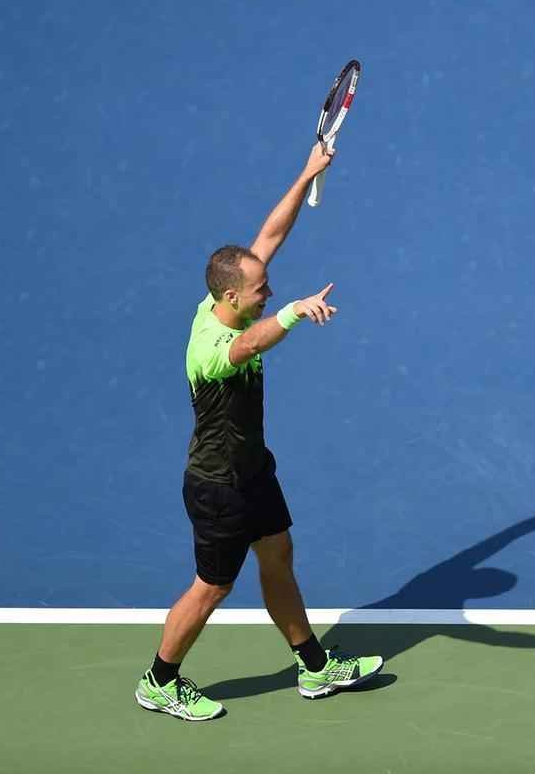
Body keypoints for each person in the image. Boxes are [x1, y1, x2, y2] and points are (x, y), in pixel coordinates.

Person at [135, 145, 382, 721]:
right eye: (260, 291)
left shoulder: (222, 299)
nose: (266, 291)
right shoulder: (214, 346)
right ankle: (159, 681)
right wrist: (295, 312)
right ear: (230, 297)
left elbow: (268, 236)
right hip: (218, 484)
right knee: (211, 588)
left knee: (277, 555)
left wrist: (306, 174)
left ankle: (315, 668)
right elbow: (250, 344)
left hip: (252, 470)